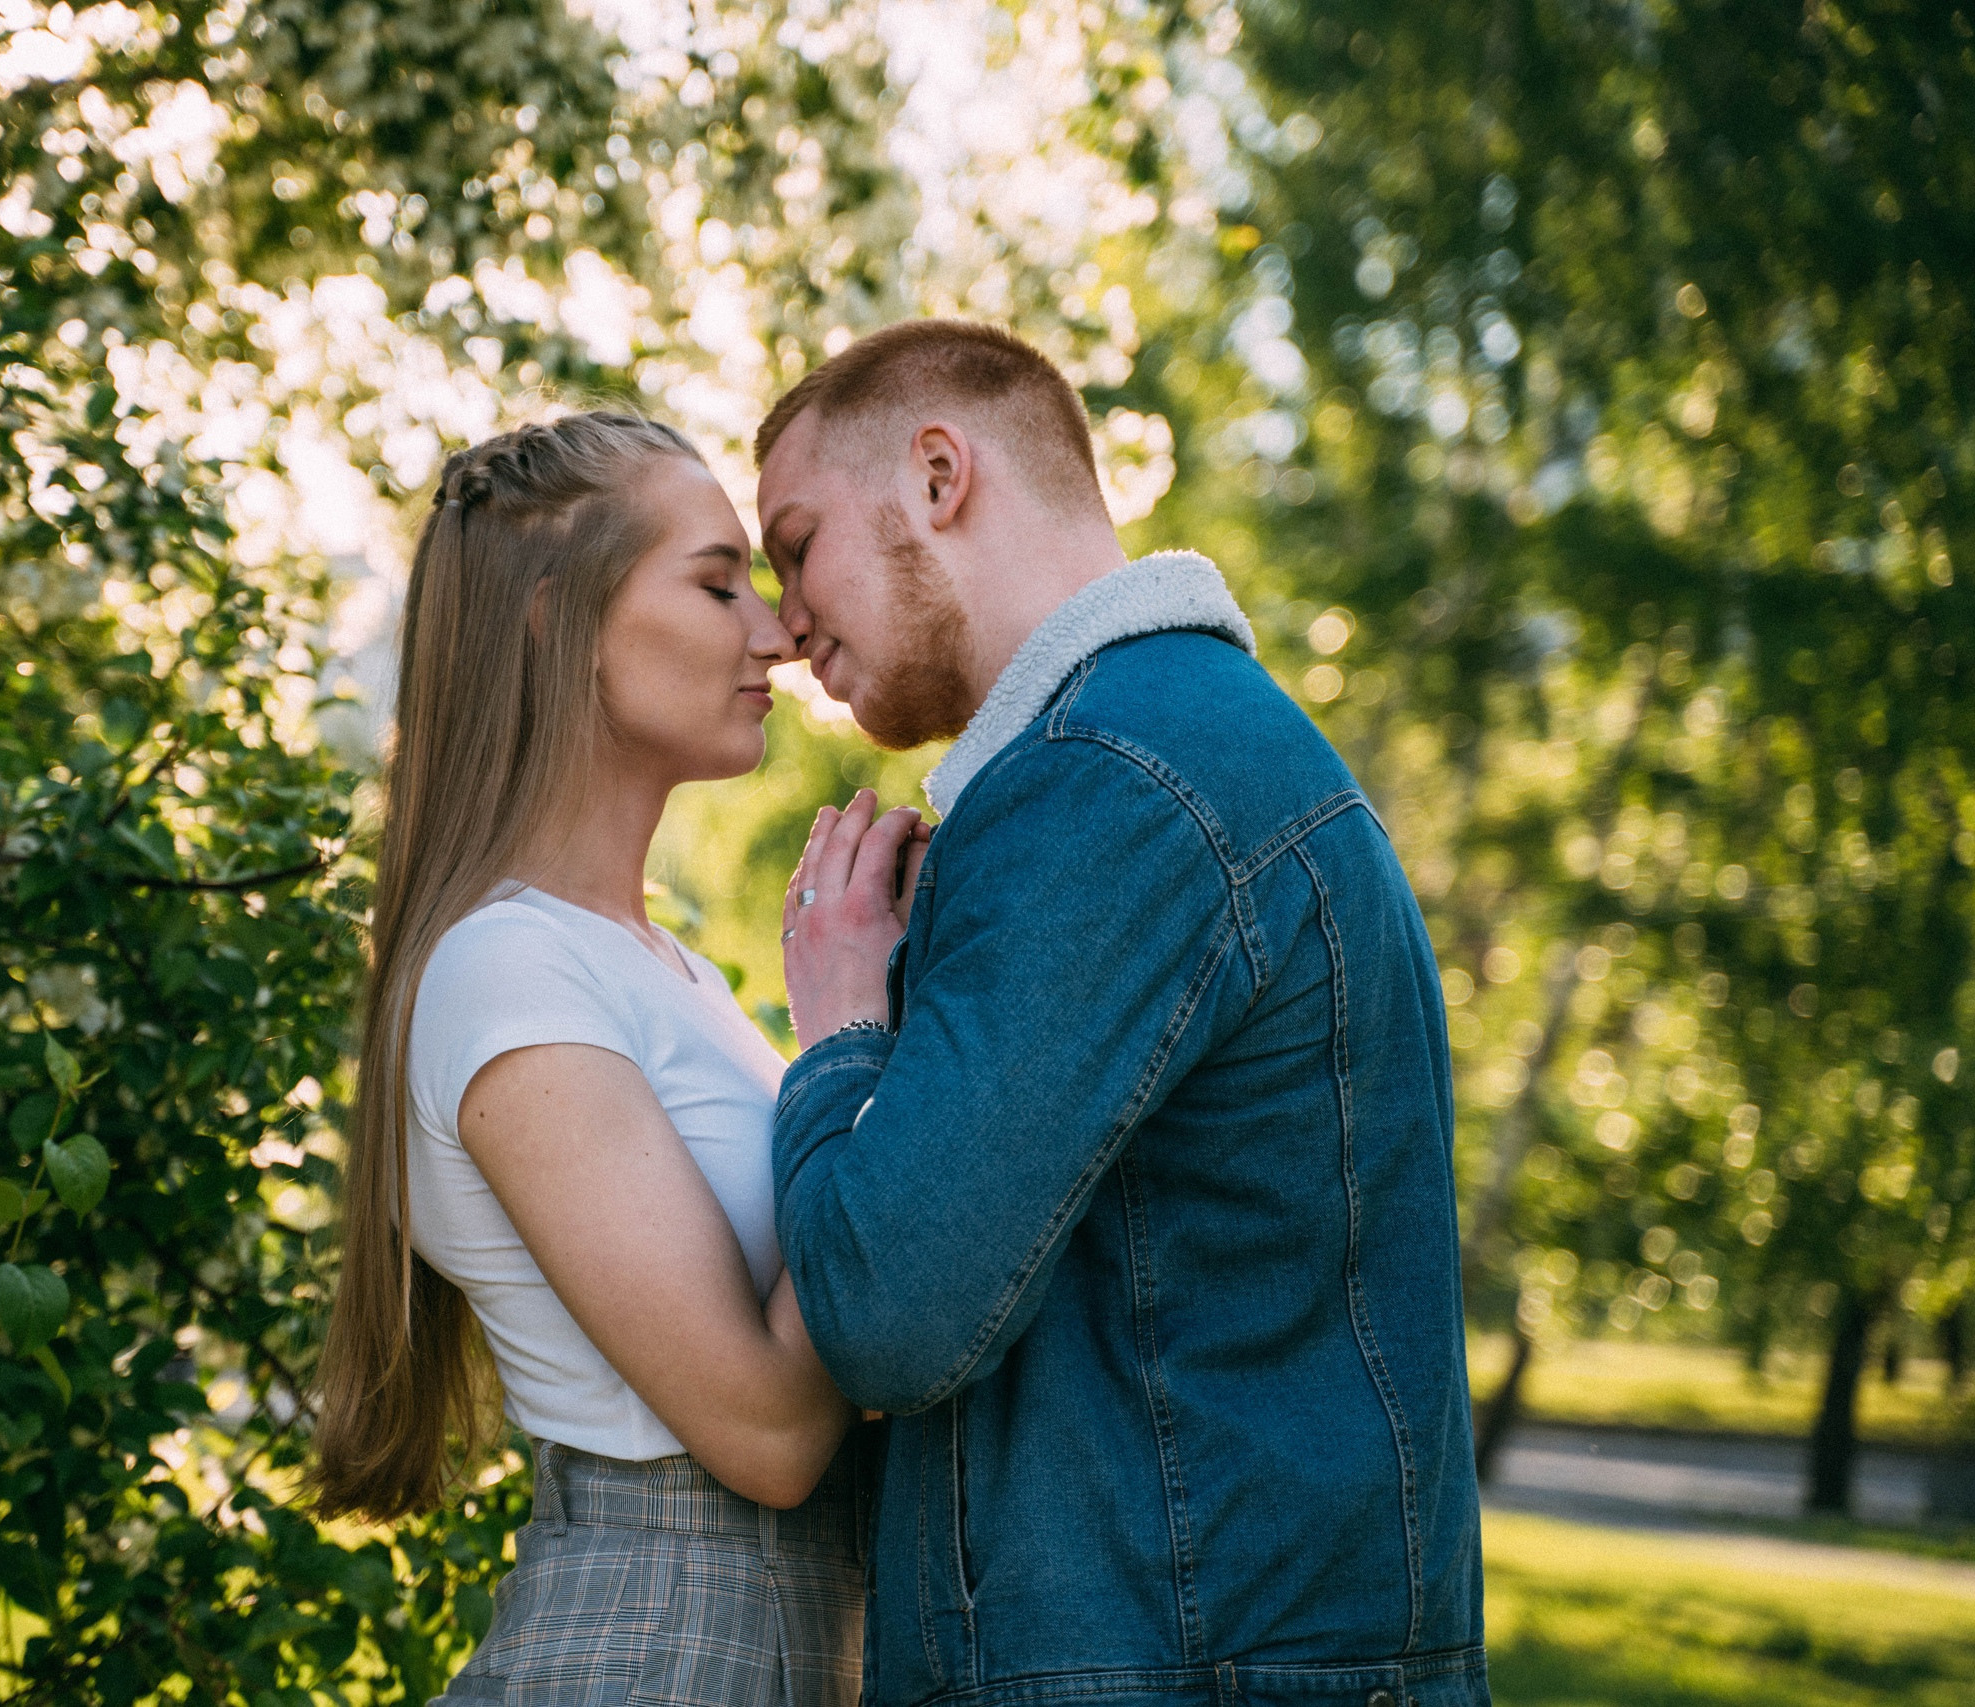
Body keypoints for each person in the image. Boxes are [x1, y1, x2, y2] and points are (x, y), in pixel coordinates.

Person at [761, 321, 1489, 1707]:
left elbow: (886, 1311)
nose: (787, 622)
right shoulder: (1182, 740)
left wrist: (844, 1027)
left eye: (797, 546)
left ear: (937, 476)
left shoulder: (1106, 778)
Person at [315, 412, 870, 1706]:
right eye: (720, 585)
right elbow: (772, 1433)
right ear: (552, 618)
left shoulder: (659, 971)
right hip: (656, 1644)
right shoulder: (509, 970)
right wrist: (856, 1039)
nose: (780, 633)